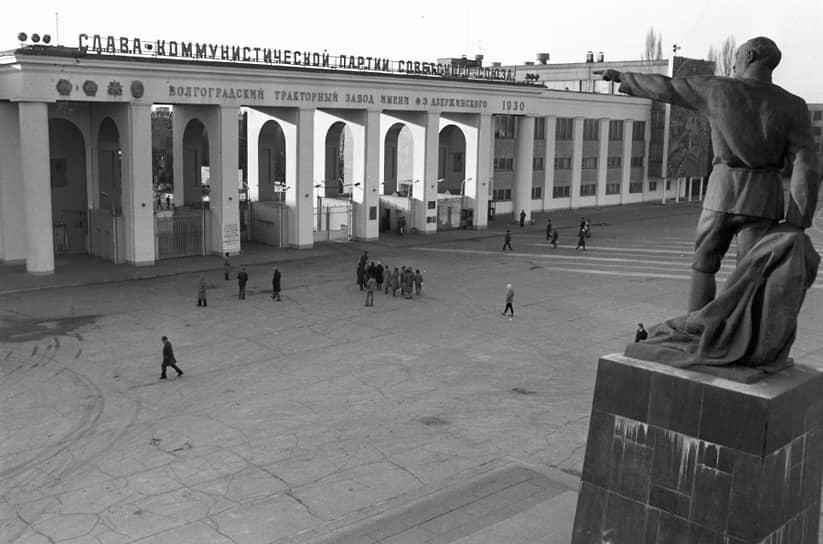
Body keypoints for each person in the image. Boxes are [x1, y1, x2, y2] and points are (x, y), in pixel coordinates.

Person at [603, 36, 819, 312]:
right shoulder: (793, 105)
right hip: (763, 199)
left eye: (737, 56)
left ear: (750, 56)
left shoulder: (718, 89)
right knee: (751, 272)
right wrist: (797, 221)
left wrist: (623, 77)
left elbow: (667, 87)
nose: (733, 65)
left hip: (721, 193)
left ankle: (697, 330)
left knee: (703, 264)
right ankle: (741, 339)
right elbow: (807, 163)